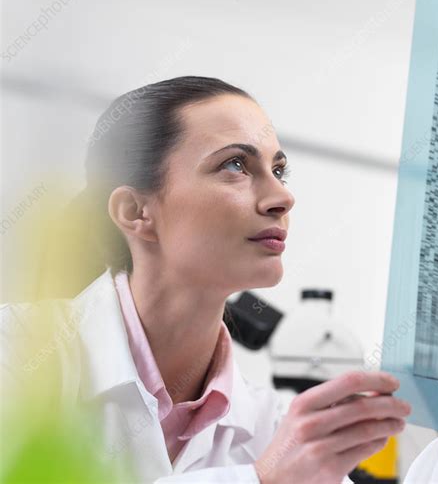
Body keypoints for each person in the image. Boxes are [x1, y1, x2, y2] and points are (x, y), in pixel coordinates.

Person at [0, 76, 411, 483]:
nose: (283, 198)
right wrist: (259, 481)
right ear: (134, 211)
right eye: (235, 164)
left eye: (279, 170)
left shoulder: (275, 429)